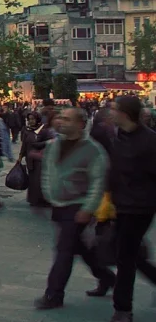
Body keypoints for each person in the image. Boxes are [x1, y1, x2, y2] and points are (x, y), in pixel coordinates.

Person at [35, 107, 115, 311]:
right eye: (60, 117)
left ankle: (54, 294)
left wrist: (88, 208)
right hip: (59, 204)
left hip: (78, 206)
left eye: (67, 119)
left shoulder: (92, 149)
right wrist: (48, 195)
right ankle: (107, 278)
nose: (61, 121)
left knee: (64, 249)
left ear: (80, 124)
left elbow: (98, 181)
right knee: (80, 248)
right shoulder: (54, 145)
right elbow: (48, 172)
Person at [102, 96, 156, 322]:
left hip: (139, 207)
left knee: (125, 256)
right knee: (126, 252)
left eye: (114, 109)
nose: (110, 113)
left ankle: (122, 309)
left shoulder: (150, 141)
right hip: (120, 204)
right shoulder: (118, 136)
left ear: (126, 113)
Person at [20, 111, 52, 207]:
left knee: (40, 180)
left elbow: (47, 143)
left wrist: (40, 145)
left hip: (40, 158)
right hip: (30, 158)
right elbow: (24, 144)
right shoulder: (26, 130)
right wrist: (20, 156)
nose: (31, 121)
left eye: (33, 119)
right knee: (33, 180)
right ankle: (33, 199)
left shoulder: (43, 130)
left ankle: (42, 199)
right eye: (29, 119)